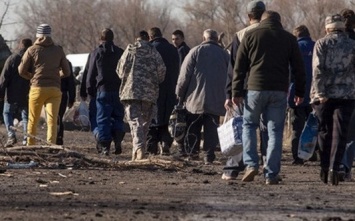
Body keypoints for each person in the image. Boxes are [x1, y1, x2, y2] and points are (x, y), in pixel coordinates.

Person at [232, 11, 305, 185]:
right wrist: (300, 92)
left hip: (254, 89)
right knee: (275, 131)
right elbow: (299, 68)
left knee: (249, 126)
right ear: (279, 21)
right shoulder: (289, 38)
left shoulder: (250, 35)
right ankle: (271, 173)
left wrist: (236, 92)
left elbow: (239, 66)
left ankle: (251, 165)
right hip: (279, 90)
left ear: (262, 20)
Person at [222, 0, 266, 180]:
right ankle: (268, 167)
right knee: (267, 129)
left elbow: (233, 68)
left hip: (244, 89)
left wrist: (230, 93)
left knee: (242, 128)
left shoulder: (240, 35)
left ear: (249, 16)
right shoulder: (274, 33)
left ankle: (233, 169)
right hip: (269, 87)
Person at [311, 14, 355, 185]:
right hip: (347, 95)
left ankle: (323, 166)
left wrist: (320, 93)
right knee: (341, 133)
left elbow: (317, 69)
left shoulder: (322, 43)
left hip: (324, 96)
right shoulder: (352, 45)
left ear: (327, 28)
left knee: (324, 131)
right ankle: (334, 169)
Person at [176, 29, 229, 164]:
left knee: (193, 125)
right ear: (217, 39)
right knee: (212, 127)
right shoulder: (224, 55)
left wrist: (179, 94)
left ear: (204, 38)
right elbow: (232, 76)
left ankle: (193, 153)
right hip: (217, 99)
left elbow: (184, 76)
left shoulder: (195, 51)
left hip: (195, 99)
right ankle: (208, 155)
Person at [117, 30, 166, 160]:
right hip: (149, 94)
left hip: (131, 92)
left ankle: (138, 148)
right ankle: (139, 150)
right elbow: (162, 73)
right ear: (147, 39)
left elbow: (120, 71)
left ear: (136, 39)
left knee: (135, 122)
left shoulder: (130, 50)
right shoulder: (154, 52)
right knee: (145, 123)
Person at [18, 24, 70, 145]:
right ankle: (51, 145)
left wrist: (31, 77)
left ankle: (31, 145)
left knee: (33, 120)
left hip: (37, 88)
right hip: (54, 89)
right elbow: (67, 71)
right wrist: (57, 76)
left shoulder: (31, 50)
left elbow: (21, 70)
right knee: (52, 120)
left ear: (38, 36)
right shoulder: (58, 50)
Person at [86, 28, 125, 156]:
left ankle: (105, 146)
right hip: (119, 90)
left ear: (101, 39)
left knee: (103, 119)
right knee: (118, 116)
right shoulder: (120, 52)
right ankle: (118, 140)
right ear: (112, 38)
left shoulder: (96, 53)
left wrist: (90, 91)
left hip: (103, 91)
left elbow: (91, 73)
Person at [147, 27, 180, 155]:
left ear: (150, 37)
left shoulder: (151, 49)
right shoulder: (173, 49)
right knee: (168, 118)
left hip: (154, 89)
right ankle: (166, 141)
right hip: (170, 88)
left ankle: (152, 146)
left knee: (153, 118)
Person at [288, 25, 315, 165]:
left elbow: (289, 73)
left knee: (297, 127)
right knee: (315, 125)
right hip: (315, 94)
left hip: (296, 94)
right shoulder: (316, 46)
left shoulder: (293, 48)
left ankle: (297, 157)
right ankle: (313, 153)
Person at [0, 38, 33, 147]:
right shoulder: (33, 59)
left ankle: (11, 136)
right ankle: (26, 138)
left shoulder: (12, 58)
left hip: (11, 94)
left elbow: (4, 77)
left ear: (20, 46)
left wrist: (1, 92)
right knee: (25, 116)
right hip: (27, 93)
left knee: (7, 113)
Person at [339, 9, 355, 181]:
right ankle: (346, 167)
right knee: (351, 133)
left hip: (334, 91)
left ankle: (336, 165)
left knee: (336, 129)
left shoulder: (333, 41)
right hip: (352, 91)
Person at [56, 59, 76, 145]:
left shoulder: (51, 60)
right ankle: (59, 138)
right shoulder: (67, 63)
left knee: (53, 118)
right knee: (60, 117)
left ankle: (53, 137)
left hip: (52, 92)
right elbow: (71, 82)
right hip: (63, 93)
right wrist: (72, 98)